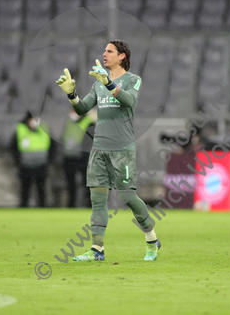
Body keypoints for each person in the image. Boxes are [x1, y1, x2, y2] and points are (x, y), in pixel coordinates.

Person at [56, 39, 161, 261]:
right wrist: (71, 94)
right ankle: (97, 250)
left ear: (122, 56)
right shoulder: (98, 83)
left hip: (121, 150)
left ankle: (152, 239)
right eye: (104, 50)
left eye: (110, 51)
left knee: (128, 197)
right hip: (99, 149)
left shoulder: (133, 80)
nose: (104, 54)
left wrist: (109, 84)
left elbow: (129, 101)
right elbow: (83, 108)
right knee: (98, 200)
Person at [10, 111, 52, 208]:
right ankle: (23, 207)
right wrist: (18, 161)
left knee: (41, 189)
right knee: (25, 189)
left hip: (41, 165)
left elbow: (52, 147)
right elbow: (13, 147)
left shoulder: (44, 129)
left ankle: (42, 207)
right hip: (25, 166)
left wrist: (48, 160)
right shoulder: (20, 129)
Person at [61, 108, 95, 208]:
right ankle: (71, 206)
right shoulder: (68, 123)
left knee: (87, 184)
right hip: (69, 158)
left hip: (84, 159)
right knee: (70, 185)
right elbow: (63, 139)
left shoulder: (89, 122)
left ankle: (89, 206)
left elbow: (91, 142)